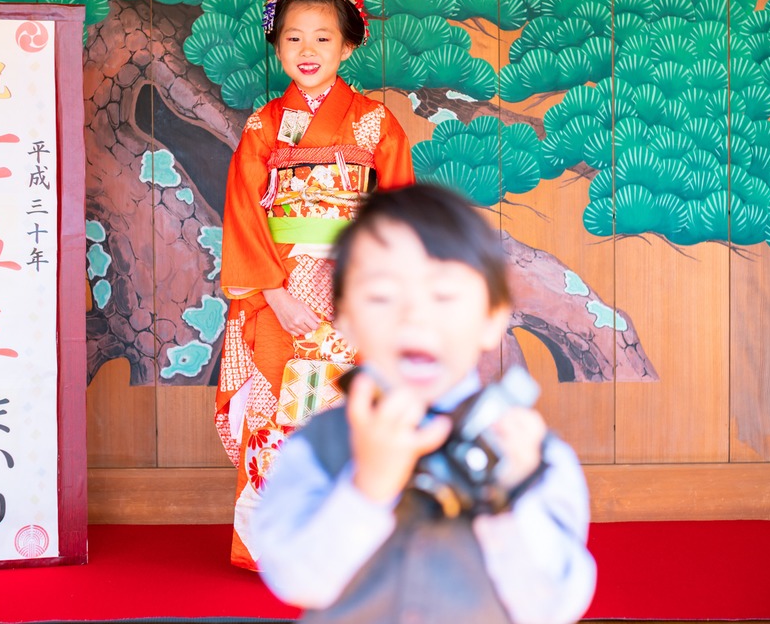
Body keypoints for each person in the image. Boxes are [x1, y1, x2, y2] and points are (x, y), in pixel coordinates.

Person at [251, 184, 597, 624]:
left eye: (444, 296)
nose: (414, 315)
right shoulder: (318, 444)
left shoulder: (534, 457)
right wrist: (369, 486)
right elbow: (296, 580)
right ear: (346, 319)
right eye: (382, 296)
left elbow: (554, 608)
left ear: (492, 319)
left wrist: (511, 496)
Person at [215, 0, 415, 569]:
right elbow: (243, 213)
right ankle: (276, 546)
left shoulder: (376, 122)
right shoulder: (263, 127)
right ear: (277, 48)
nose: (308, 50)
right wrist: (275, 294)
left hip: (353, 288)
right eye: (294, 38)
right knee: (275, 409)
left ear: (348, 45)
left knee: (350, 410)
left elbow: (399, 215)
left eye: (323, 38)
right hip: (280, 288)